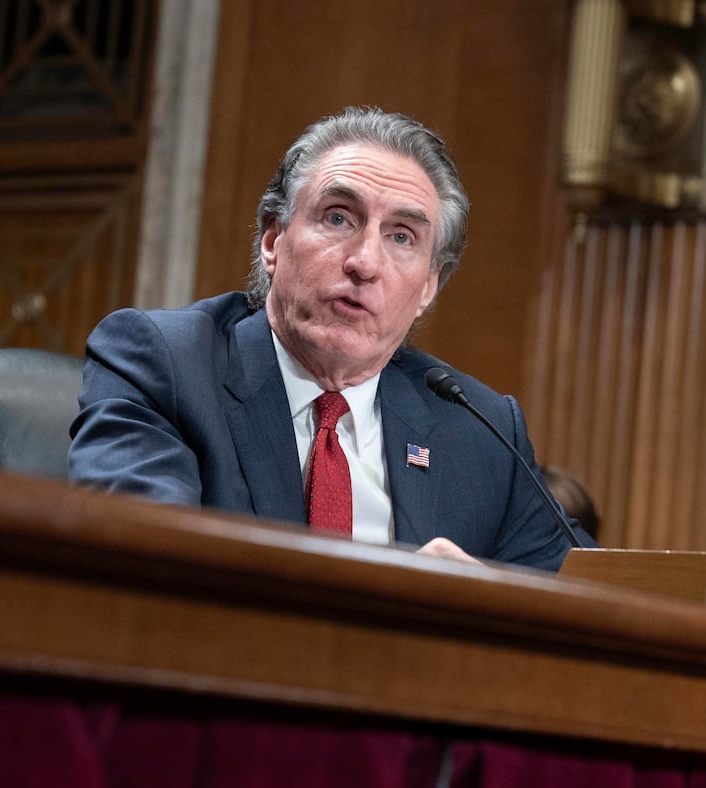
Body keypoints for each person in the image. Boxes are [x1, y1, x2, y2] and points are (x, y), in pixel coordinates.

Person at [69, 106, 593, 569]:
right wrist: (393, 595)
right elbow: (143, 562)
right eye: (338, 217)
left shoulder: (479, 432)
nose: (364, 262)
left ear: (428, 285)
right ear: (273, 240)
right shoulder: (165, 363)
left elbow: (592, 596)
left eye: (401, 237)